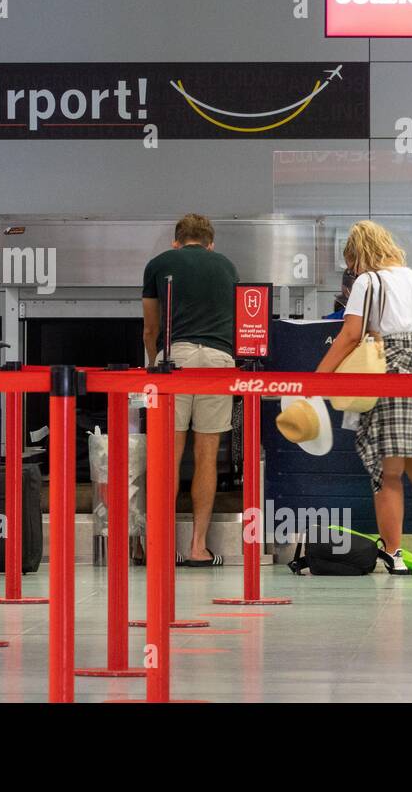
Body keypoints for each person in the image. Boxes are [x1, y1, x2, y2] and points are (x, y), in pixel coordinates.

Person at [315, 220, 412, 572]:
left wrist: (319, 377)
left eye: (351, 263)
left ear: (357, 255)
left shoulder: (369, 282)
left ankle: (394, 554)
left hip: (393, 372)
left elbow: (351, 335)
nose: (351, 271)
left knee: (389, 471)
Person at [141, 213, 239, 568]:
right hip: (218, 361)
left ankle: (161, 546)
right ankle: (199, 546)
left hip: (175, 359)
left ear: (176, 241)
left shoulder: (160, 263)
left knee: (168, 453)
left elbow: (151, 329)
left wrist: (155, 364)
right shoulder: (226, 266)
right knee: (206, 454)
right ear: (210, 243)